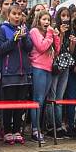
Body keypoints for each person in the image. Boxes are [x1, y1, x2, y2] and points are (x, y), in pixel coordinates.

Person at [0, 3, 33, 145]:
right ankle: (7, 132)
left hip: (23, 73)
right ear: (8, 15)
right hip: (9, 73)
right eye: (14, 14)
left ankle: (17, 131)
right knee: (8, 105)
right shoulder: (2, 29)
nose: (17, 17)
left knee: (19, 104)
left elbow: (29, 48)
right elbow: (0, 49)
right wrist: (14, 39)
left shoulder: (24, 29)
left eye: (19, 14)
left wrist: (23, 37)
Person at [28, 10, 60, 143]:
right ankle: (35, 129)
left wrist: (57, 36)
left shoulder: (49, 33)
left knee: (43, 100)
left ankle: (38, 128)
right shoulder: (34, 31)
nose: (46, 22)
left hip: (48, 68)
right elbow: (41, 47)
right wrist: (50, 34)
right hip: (38, 67)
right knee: (38, 100)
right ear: (38, 20)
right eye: (44, 19)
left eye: (48, 20)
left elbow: (56, 50)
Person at [47, 6, 72, 138]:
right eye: (63, 15)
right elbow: (56, 49)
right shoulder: (54, 29)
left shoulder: (70, 31)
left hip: (66, 65)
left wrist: (72, 43)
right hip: (55, 65)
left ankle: (59, 125)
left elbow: (70, 51)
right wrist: (61, 34)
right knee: (52, 96)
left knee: (60, 97)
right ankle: (52, 126)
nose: (65, 18)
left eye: (67, 16)